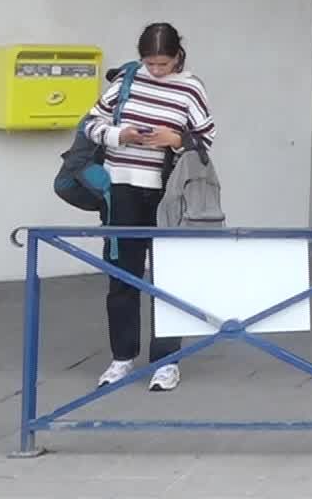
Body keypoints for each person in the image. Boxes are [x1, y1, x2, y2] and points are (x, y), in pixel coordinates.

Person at [80, 22, 217, 393]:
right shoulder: (125, 82)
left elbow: (205, 137)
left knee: (168, 276)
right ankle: (122, 357)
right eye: (150, 63)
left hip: (166, 194)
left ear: (177, 56)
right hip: (120, 188)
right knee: (122, 274)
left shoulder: (190, 86)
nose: (156, 71)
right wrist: (118, 135)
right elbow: (90, 124)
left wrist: (174, 139)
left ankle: (166, 361)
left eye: (163, 64)